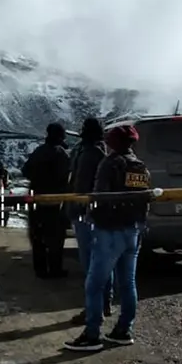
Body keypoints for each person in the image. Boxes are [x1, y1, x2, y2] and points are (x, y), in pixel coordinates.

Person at [65, 124, 150, 352]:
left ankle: (92, 334)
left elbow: (99, 196)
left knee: (94, 284)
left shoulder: (109, 163)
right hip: (133, 230)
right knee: (128, 282)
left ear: (113, 143)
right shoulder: (139, 166)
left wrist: (92, 219)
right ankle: (124, 330)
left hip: (110, 231)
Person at [67, 117, 112, 325]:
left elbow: (80, 183)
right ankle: (104, 303)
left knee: (91, 264)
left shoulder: (89, 152)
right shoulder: (99, 150)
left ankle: (95, 310)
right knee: (102, 261)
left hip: (86, 212)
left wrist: (76, 208)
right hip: (95, 212)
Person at [21, 123, 72, 279]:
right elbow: (66, 176)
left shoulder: (38, 151)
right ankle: (55, 269)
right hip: (55, 201)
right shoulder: (61, 153)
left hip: (36, 198)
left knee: (38, 236)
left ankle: (41, 270)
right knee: (55, 238)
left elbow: (25, 170)